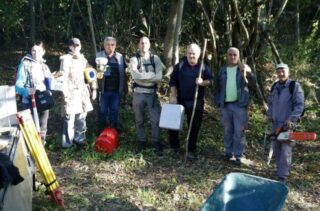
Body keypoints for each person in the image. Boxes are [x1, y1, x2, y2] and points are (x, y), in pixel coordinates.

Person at [168, 43, 213, 160]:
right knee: (173, 124)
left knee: (194, 127)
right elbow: (173, 82)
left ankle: (190, 149)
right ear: (186, 53)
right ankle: (174, 147)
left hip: (196, 102)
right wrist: (173, 95)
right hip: (181, 100)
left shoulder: (203, 66)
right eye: (189, 53)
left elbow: (211, 81)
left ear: (198, 55)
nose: (191, 55)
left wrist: (202, 82)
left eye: (193, 53)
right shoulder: (180, 65)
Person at [214, 47, 255, 165]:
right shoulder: (222, 70)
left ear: (238, 57)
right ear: (227, 56)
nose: (232, 57)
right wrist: (217, 100)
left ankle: (238, 155)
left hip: (240, 105)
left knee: (239, 131)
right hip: (225, 105)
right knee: (228, 130)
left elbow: (253, 83)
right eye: (230, 55)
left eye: (235, 55)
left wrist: (249, 72)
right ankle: (228, 152)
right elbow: (217, 87)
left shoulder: (242, 69)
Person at [267, 63, 304, 182]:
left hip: (287, 124)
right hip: (275, 123)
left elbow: (299, 105)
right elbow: (271, 104)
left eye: (283, 71)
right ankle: (279, 170)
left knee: (285, 149)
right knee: (276, 147)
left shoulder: (294, 86)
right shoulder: (274, 86)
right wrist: (269, 115)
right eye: (278, 71)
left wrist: (292, 118)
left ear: (288, 72)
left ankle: (283, 175)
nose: (281, 74)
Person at [59, 38, 96, 148]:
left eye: (77, 45)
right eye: (73, 45)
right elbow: (63, 78)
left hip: (82, 93)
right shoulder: (65, 59)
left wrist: (94, 89)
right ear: (69, 46)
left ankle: (80, 141)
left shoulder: (83, 60)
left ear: (80, 46)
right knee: (69, 119)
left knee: (81, 118)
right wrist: (65, 94)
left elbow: (90, 75)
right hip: (70, 93)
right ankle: (67, 144)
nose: (75, 47)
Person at [129, 36, 163, 155]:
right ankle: (141, 141)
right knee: (139, 120)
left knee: (156, 120)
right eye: (142, 43)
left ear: (149, 45)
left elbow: (159, 77)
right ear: (138, 45)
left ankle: (156, 141)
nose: (144, 45)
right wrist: (151, 75)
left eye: (146, 43)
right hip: (138, 93)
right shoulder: (134, 59)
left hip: (152, 94)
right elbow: (135, 76)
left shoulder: (156, 59)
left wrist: (143, 76)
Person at [15, 41, 52, 145]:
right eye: (33, 50)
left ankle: (41, 150)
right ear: (31, 51)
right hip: (29, 101)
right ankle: (29, 153)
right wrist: (27, 92)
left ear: (43, 52)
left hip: (43, 101)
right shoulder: (26, 64)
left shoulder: (44, 66)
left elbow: (49, 83)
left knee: (43, 127)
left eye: (39, 51)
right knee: (30, 128)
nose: (36, 53)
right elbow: (18, 86)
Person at [95, 36, 126, 130]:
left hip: (116, 90)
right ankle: (101, 129)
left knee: (114, 110)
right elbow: (91, 72)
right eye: (107, 45)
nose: (110, 47)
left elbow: (124, 73)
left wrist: (125, 87)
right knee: (103, 111)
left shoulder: (120, 57)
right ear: (104, 45)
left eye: (112, 45)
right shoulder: (98, 55)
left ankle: (113, 130)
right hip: (103, 90)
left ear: (115, 46)